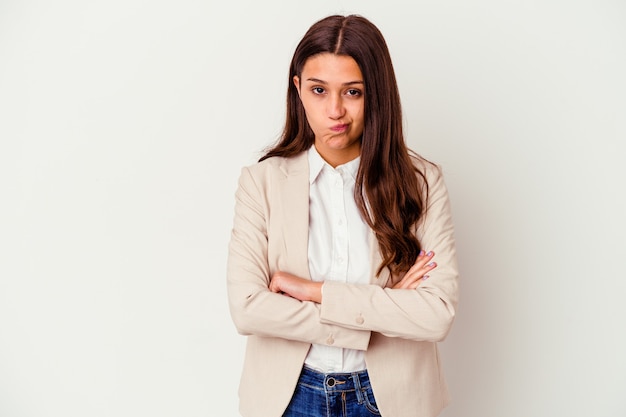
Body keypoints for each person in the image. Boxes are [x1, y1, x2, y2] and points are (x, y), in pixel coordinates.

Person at [227, 14, 459, 417]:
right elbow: (248, 307)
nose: (335, 110)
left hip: (391, 399)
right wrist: (384, 307)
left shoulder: (421, 182)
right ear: (298, 89)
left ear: (377, 94)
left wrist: (316, 292)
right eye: (319, 90)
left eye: (353, 92)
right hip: (289, 397)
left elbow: (436, 314)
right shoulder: (261, 183)